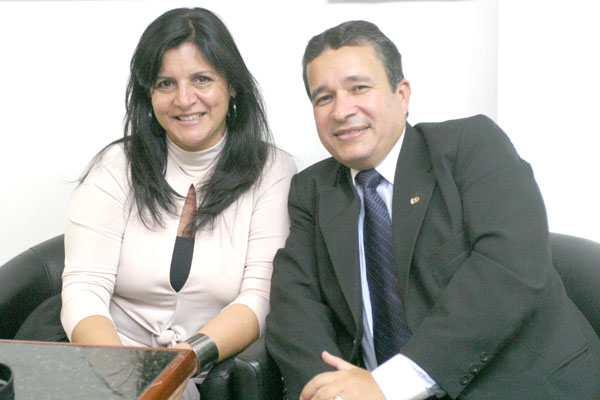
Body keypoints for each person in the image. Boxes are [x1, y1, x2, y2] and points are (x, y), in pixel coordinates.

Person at [265, 20, 600, 400]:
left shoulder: (471, 145)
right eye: (324, 98)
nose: (341, 110)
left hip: (517, 385)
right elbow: (294, 304)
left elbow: (509, 268)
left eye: (359, 88)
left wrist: (388, 385)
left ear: (401, 95)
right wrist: (334, 391)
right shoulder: (312, 190)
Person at [60, 7, 296, 400]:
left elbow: (259, 298)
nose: (184, 100)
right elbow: (84, 287)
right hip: (107, 362)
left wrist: (177, 368)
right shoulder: (116, 166)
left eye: (202, 79)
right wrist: (123, 373)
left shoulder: (272, 171)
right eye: (165, 83)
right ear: (148, 94)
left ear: (232, 86)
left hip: (196, 366)